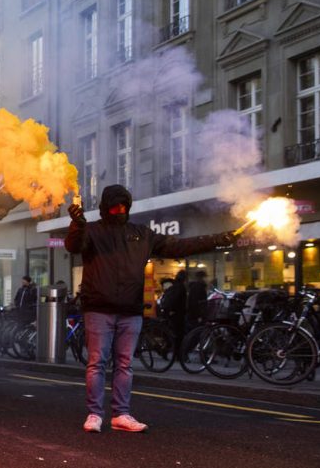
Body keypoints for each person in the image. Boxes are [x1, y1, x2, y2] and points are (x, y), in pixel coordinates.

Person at [66, 185, 237, 433]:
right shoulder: (91, 231)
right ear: (105, 207)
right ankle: (95, 414)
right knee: (97, 363)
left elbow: (179, 246)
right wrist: (78, 224)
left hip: (130, 310)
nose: (120, 210)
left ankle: (121, 414)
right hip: (99, 309)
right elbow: (73, 245)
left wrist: (219, 240)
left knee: (124, 364)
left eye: (123, 206)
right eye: (115, 206)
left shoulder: (142, 234)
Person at [159, 270, 188, 345]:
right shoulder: (180, 287)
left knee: (172, 331)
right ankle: (177, 350)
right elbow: (176, 301)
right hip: (177, 313)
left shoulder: (174, 285)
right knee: (178, 333)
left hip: (171, 313)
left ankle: (169, 346)